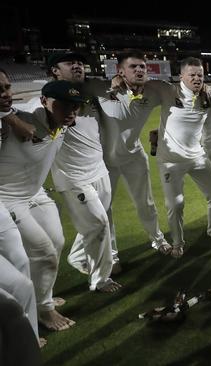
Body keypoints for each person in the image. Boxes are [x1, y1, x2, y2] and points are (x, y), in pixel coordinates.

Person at [0, 80, 82, 331]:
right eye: (61, 105)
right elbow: (7, 106)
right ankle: (44, 310)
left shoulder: (65, 122)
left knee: (56, 243)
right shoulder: (25, 114)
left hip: (35, 194)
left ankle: (40, 296)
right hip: (7, 197)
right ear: (45, 101)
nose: (69, 111)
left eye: (73, 106)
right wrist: (8, 116)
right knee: (44, 251)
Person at [41, 52, 121, 292]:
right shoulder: (47, 100)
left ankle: (77, 256)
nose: (77, 65)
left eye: (79, 62)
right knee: (98, 224)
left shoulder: (87, 94)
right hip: (74, 178)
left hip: (99, 170)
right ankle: (100, 280)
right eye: (69, 63)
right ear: (55, 70)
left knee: (97, 222)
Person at [150, 57, 211, 257]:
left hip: (197, 156)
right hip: (171, 161)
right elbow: (141, 84)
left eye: (200, 75)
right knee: (176, 204)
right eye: (192, 75)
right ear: (182, 76)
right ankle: (178, 243)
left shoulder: (207, 95)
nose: (196, 78)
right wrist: (119, 79)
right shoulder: (168, 91)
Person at [101, 50, 170, 255]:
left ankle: (158, 239)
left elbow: (179, 92)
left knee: (146, 203)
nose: (139, 69)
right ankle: (111, 254)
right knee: (105, 208)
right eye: (133, 66)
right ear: (120, 71)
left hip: (134, 155)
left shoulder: (152, 92)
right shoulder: (105, 91)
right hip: (105, 160)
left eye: (142, 66)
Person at [0, 68, 43, 347]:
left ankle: (30, 335)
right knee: (18, 284)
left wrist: (8, 117)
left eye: (6, 87)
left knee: (22, 265)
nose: (6, 94)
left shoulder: (8, 115)